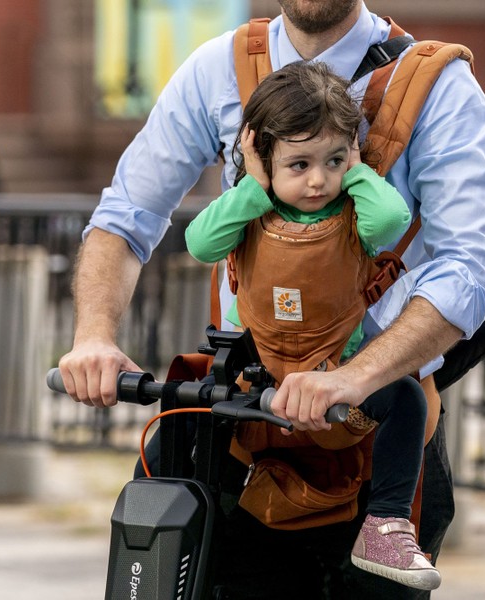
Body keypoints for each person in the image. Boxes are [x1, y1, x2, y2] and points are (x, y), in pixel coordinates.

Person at [58, 1, 485, 598]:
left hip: (372, 439)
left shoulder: (438, 88)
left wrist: (355, 377)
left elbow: (470, 267)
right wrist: (93, 334)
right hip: (239, 428)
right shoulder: (217, 69)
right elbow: (126, 214)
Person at [184, 61, 439, 591]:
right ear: (263, 158)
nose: (319, 180)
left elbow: (391, 220)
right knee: (185, 425)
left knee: (408, 401)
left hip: (336, 375)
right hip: (258, 379)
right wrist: (253, 185)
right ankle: (192, 524)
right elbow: (200, 243)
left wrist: (359, 166)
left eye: (332, 161)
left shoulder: (355, 213)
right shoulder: (248, 209)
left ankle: (385, 525)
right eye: (298, 164)